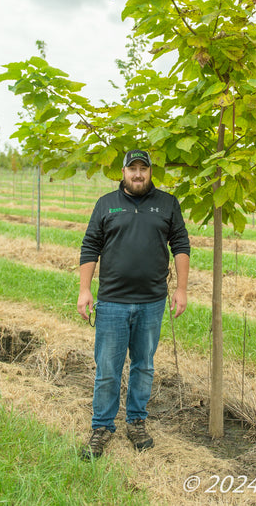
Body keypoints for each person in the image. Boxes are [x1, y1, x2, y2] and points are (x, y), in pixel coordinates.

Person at [77, 149, 190, 460]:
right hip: (112, 301)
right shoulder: (106, 204)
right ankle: (101, 427)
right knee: (108, 369)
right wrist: (85, 290)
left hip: (152, 302)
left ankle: (136, 421)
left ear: (151, 171)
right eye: (132, 169)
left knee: (144, 366)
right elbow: (90, 244)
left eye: (143, 169)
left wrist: (181, 288)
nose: (138, 174)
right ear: (122, 172)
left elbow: (180, 242)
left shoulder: (167, 203)